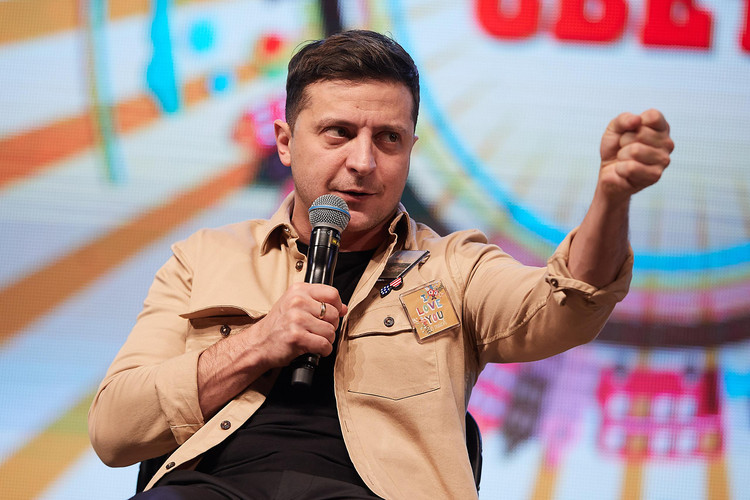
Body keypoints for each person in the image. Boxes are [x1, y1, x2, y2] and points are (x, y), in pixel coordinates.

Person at [88, 29, 674, 499]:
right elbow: (114, 430)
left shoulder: (451, 267)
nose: (364, 162)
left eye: (388, 139)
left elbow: (565, 306)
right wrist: (260, 341)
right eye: (338, 133)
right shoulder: (205, 256)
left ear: (410, 150)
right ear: (286, 142)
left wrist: (611, 199)